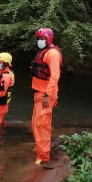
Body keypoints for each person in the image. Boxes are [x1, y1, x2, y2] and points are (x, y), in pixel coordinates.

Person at [29, 27, 62, 165]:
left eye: (42, 39)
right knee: (36, 123)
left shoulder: (52, 54)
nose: (39, 41)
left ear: (48, 39)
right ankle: (40, 147)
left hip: (45, 95)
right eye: (38, 39)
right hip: (41, 93)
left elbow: (55, 76)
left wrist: (47, 95)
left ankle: (43, 157)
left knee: (42, 125)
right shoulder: (45, 52)